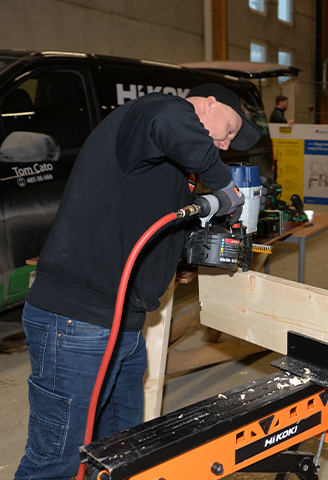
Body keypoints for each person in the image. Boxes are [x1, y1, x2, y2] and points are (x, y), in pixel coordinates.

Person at [15, 83, 258, 480]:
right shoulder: (156, 111)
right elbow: (170, 121)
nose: (226, 144)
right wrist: (224, 184)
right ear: (210, 104)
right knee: (55, 463)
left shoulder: (169, 165)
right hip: (77, 321)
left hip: (123, 326)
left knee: (122, 451)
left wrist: (181, 257)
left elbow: (145, 226)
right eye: (229, 129)